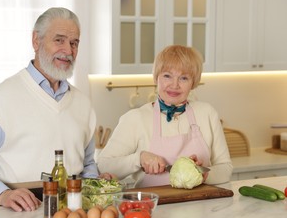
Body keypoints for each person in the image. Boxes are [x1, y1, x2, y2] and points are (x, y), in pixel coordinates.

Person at [0, 7, 112, 212]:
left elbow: (88, 165)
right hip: (17, 213)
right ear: (36, 41)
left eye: (74, 43)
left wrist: (95, 185)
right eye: (59, 40)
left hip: (73, 214)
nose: (68, 50)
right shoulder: (2, 98)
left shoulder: (83, 104)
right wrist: (2, 194)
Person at [97, 45, 233, 188]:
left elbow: (225, 168)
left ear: (193, 83)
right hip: (154, 207)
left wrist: (203, 174)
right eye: (167, 76)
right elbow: (104, 165)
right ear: (156, 78)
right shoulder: (136, 119)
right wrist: (139, 159)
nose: (174, 85)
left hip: (202, 206)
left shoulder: (207, 113)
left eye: (184, 78)